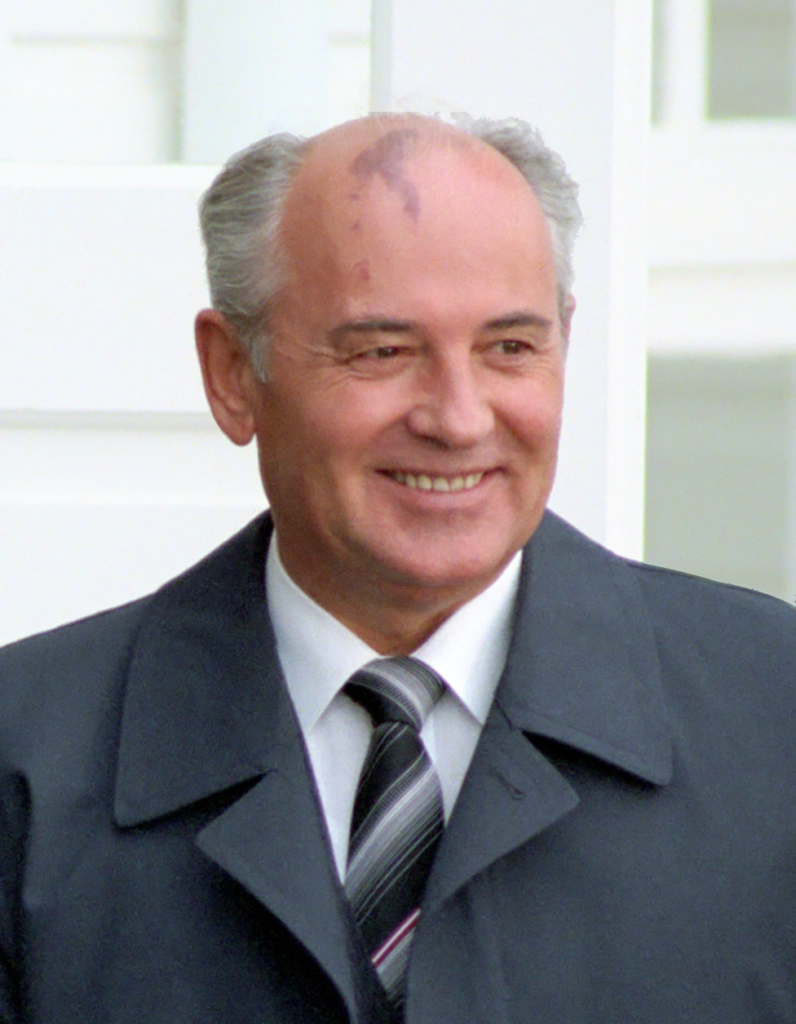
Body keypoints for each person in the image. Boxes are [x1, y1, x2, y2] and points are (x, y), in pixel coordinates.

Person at [1, 113, 795, 1024]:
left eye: (509, 348)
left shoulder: (772, 719)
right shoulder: (26, 762)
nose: (458, 419)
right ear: (232, 374)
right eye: (382, 352)